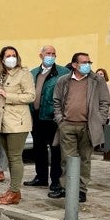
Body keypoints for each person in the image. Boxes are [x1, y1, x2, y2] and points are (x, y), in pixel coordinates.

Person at [49, 53, 109, 203]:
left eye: (89, 62)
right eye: (83, 62)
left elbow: (104, 102)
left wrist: (99, 121)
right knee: (67, 159)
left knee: (84, 159)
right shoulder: (64, 80)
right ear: (74, 65)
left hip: (87, 126)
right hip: (67, 125)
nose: (87, 64)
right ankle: (65, 188)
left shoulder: (97, 80)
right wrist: (60, 120)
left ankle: (81, 190)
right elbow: (56, 101)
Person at [0, 46, 35, 205]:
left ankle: (14, 192)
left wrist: (8, 96)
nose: (11, 58)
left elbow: (30, 96)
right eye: (8, 56)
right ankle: (14, 190)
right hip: (2, 120)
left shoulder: (24, 74)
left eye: (14, 55)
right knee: (8, 156)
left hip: (17, 122)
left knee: (15, 158)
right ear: (2, 59)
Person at [24, 45, 69, 193]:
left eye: (53, 53)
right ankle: (41, 176)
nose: (51, 56)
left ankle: (56, 180)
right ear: (41, 56)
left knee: (55, 150)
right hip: (36, 116)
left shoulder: (63, 72)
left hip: (53, 118)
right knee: (38, 148)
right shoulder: (33, 72)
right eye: (48, 53)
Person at [93, 68, 110, 152]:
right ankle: (96, 146)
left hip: (105, 111)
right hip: (95, 111)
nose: (99, 75)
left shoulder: (107, 84)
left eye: (101, 74)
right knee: (96, 128)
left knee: (104, 128)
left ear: (105, 75)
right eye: (98, 73)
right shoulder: (94, 84)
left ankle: (104, 146)